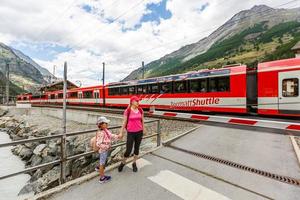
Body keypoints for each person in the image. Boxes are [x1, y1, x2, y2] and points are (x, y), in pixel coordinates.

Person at [118, 96, 144, 172]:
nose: (138, 103)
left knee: (137, 149)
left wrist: (144, 129)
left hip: (139, 132)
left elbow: (142, 120)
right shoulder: (127, 111)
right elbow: (124, 122)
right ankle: (123, 163)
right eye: (137, 101)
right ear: (132, 102)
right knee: (128, 150)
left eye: (139, 101)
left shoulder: (140, 110)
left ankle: (134, 163)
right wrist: (121, 132)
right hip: (131, 133)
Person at [96, 116, 121, 183]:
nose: (107, 124)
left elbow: (110, 135)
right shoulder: (101, 133)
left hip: (105, 150)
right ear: (101, 125)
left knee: (103, 162)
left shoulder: (105, 130)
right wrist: (107, 147)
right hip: (103, 151)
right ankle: (102, 178)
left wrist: (117, 136)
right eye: (105, 123)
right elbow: (98, 144)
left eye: (107, 123)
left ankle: (99, 169)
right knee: (102, 164)